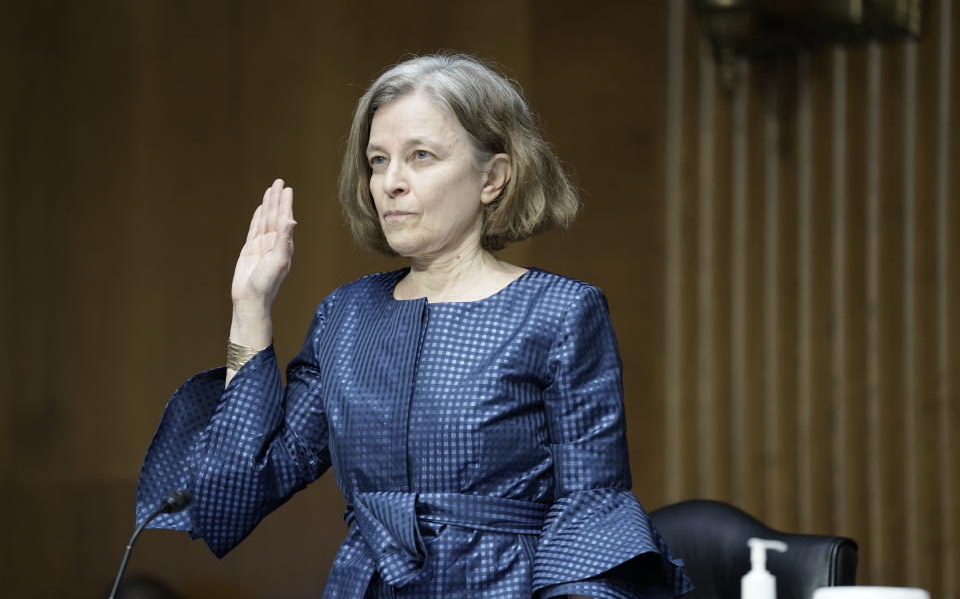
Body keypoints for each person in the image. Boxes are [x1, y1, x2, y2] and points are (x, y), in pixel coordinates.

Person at [136, 53, 693, 599]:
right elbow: (236, 489)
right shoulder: (345, 316)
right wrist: (249, 308)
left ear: (492, 178)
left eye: (420, 155)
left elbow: (590, 506)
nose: (389, 183)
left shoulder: (560, 311)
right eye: (378, 160)